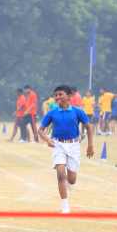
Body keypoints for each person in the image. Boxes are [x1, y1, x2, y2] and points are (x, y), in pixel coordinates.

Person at [37, 85, 95, 214]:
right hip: (58, 145)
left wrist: (90, 145)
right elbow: (40, 130)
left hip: (74, 145)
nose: (57, 97)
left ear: (69, 96)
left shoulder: (77, 111)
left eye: (60, 94)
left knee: (72, 179)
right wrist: (48, 140)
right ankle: (65, 205)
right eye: (55, 95)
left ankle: (70, 185)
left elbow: (89, 128)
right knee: (60, 174)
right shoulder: (52, 113)